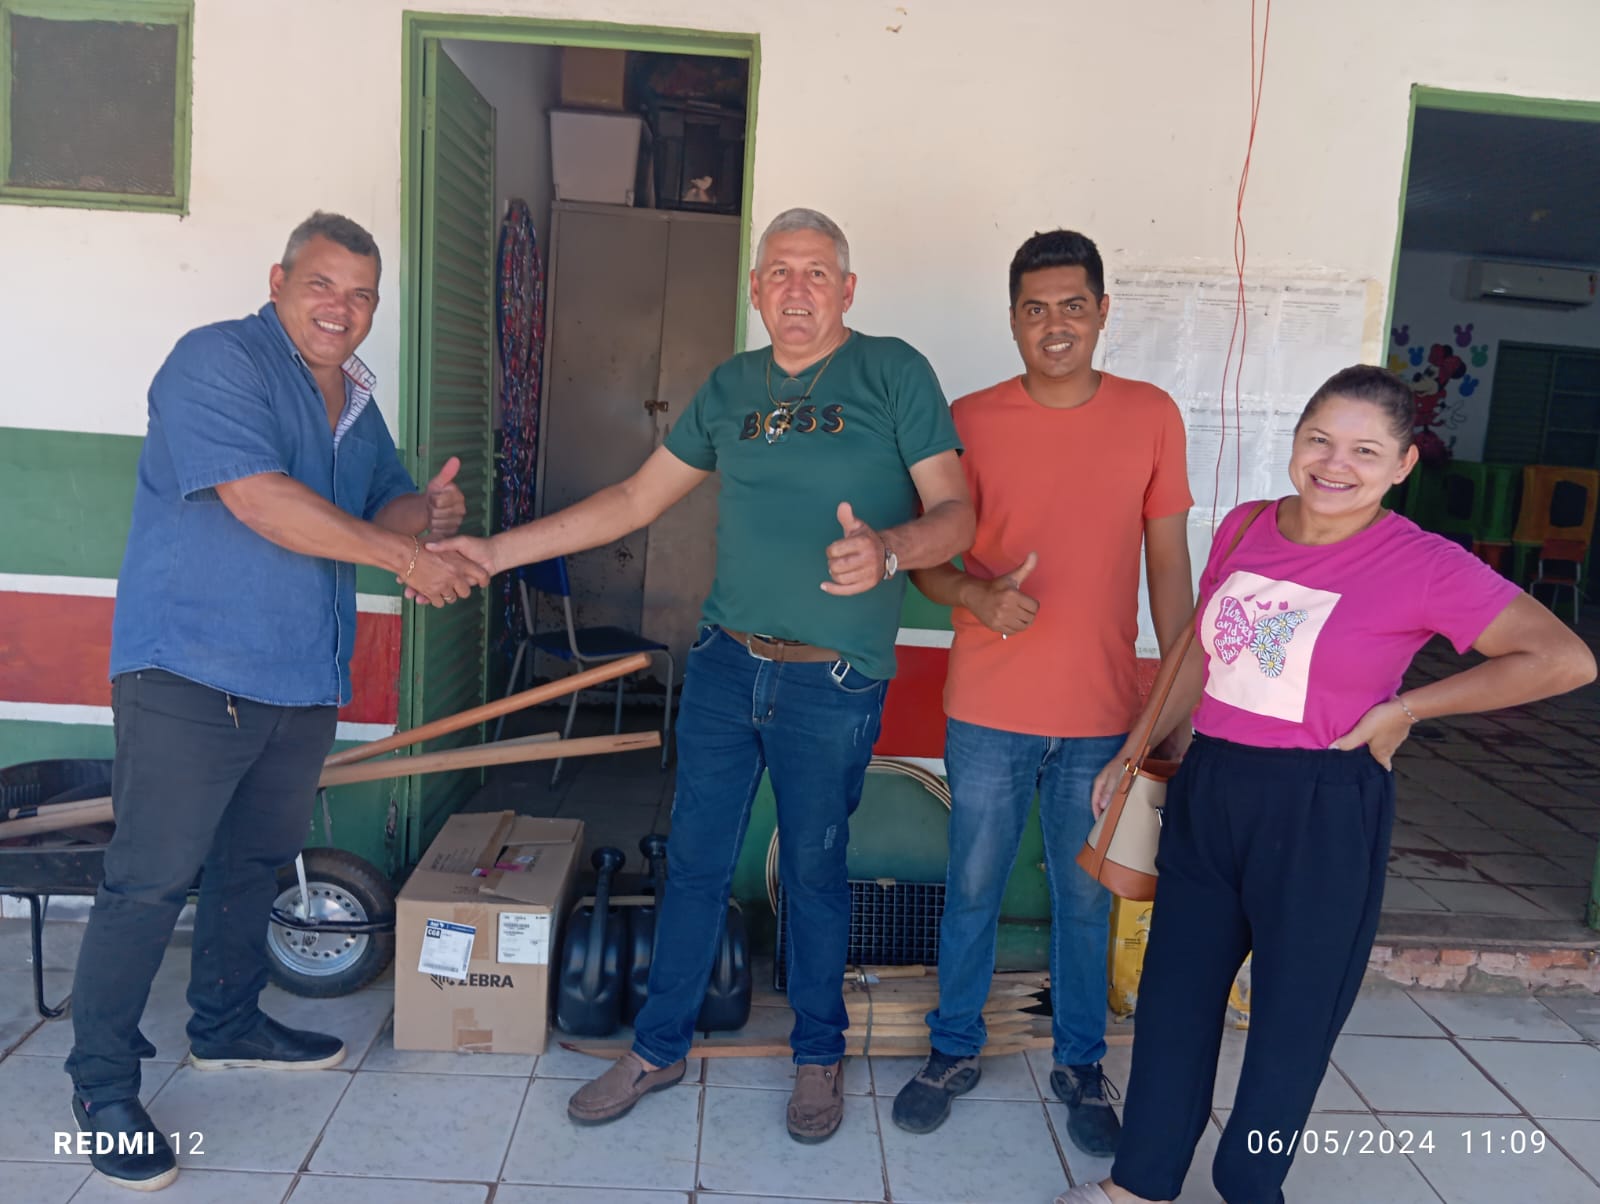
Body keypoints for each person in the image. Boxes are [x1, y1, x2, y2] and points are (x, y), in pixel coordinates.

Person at [433, 207, 974, 1143]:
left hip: (832, 681)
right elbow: (633, 500)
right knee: (693, 862)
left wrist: (889, 549)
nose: (796, 289)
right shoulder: (730, 387)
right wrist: (494, 551)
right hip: (727, 665)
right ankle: (657, 1047)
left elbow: (958, 512)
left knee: (815, 871)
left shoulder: (894, 372)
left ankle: (817, 1055)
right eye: (779, 272)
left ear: (848, 290)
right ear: (755, 289)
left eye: (816, 272)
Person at [1055, 364, 1596, 1204]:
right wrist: (1135, 748)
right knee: (1174, 1000)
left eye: (1365, 451)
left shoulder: (1424, 563)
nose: (1335, 464)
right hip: (1211, 788)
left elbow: (1564, 659)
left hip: (1323, 803)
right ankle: (1141, 1183)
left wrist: (1408, 708)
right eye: (1320, 440)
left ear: (1403, 465)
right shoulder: (1245, 526)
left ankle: (1250, 1185)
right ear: (1297, 438)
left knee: (1293, 1020)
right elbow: (1199, 653)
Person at [65, 211, 487, 1192]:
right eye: (323, 285)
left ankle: (225, 1025)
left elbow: (380, 505)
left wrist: (426, 514)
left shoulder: (357, 402)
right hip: (191, 670)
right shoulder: (216, 361)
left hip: (299, 679)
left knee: (255, 864)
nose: (343, 309)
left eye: (362, 295)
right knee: (149, 880)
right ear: (279, 280)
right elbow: (258, 498)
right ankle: (102, 1088)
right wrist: (406, 558)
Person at [893, 230, 1192, 1151]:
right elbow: (925, 564)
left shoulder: (1151, 415)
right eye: (1034, 309)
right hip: (988, 711)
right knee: (973, 887)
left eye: (1071, 305)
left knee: (1085, 900)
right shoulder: (970, 419)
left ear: (1102, 311)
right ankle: (953, 1048)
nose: (1054, 324)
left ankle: (1079, 1063)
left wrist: (1175, 705)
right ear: (1013, 320)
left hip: (1103, 718)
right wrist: (976, 595)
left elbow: (1169, 572)